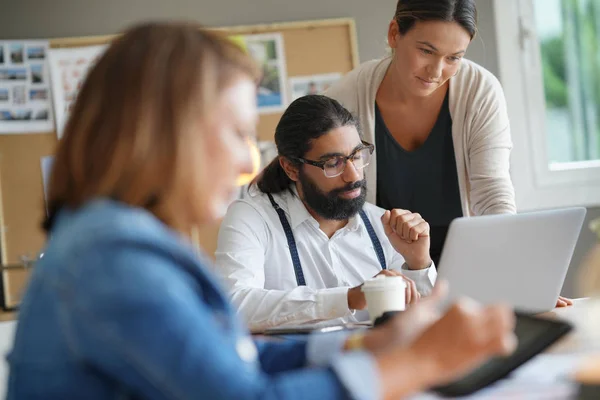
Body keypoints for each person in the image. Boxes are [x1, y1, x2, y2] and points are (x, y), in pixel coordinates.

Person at [7, 22, 517, 400]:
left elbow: (237, 356)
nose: (247, 159)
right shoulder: (114, 263)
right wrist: (419, 362)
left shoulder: (115, 242)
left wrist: (371, 346)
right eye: (233, 133)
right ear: (162, 135)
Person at [325, 0, 571, 307]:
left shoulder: (479, 90)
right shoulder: (344, 99)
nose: (437, 71)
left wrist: (515, 275)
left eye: (454, 57)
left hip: (467, 272)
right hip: (383, 276)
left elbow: (492, 191)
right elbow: (335, 203)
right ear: (393, 34)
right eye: (426, 51)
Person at [215, 94, 437, 331]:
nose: (353, 175)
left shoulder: (383, 225)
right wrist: (349, 298)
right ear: (291, 168)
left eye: (356, 156)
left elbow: (422, 325)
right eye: (333, 163)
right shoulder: (252, 218)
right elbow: (235, 306)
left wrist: (418, 264)